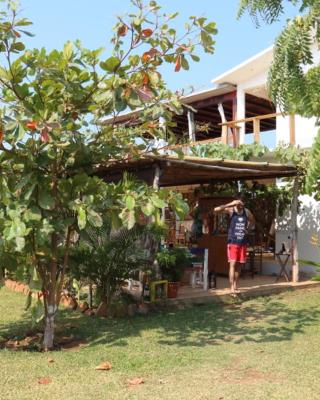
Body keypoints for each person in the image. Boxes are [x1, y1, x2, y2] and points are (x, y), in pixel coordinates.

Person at [214, 194, 255, 296]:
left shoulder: (247, 212)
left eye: (240, 204)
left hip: (243, 242)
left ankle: (236, 285)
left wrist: (248, 229)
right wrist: (230, 203)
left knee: (239, 265)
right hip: (233, 242)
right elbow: (216, 210)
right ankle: (231, 287)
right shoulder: (231, 210)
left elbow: (252, 220)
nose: (239, 206)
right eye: (237, 203)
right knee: (232, 264)